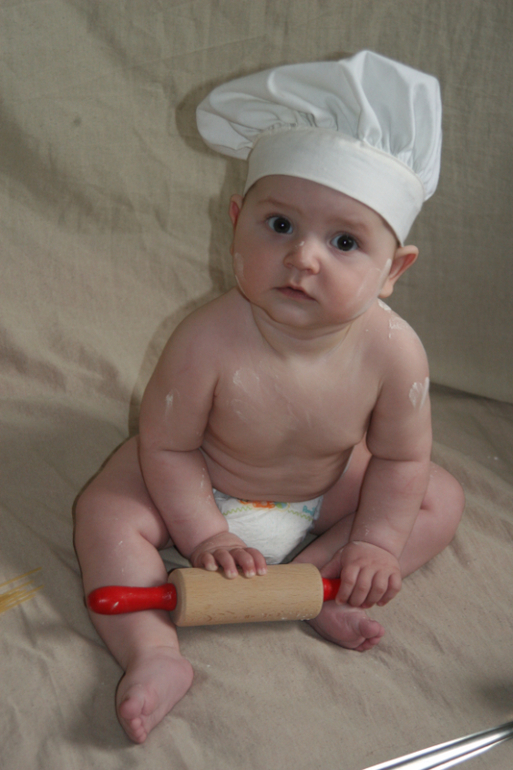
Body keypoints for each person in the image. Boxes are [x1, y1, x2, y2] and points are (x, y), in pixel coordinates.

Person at [74, 51, 465, 744]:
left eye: (344, 241)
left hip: (320, 491)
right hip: (201, 481)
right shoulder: (206, 339)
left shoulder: (394, 351)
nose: (303, 257)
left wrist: (375, 542)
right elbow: (168, 446)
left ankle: (321, 582)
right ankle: (152, 652)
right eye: (279, 225)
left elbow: (400, 460)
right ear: (236, 223)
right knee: (107, 509)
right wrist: (205, 533)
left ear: (392, 270)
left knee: (437, 496)